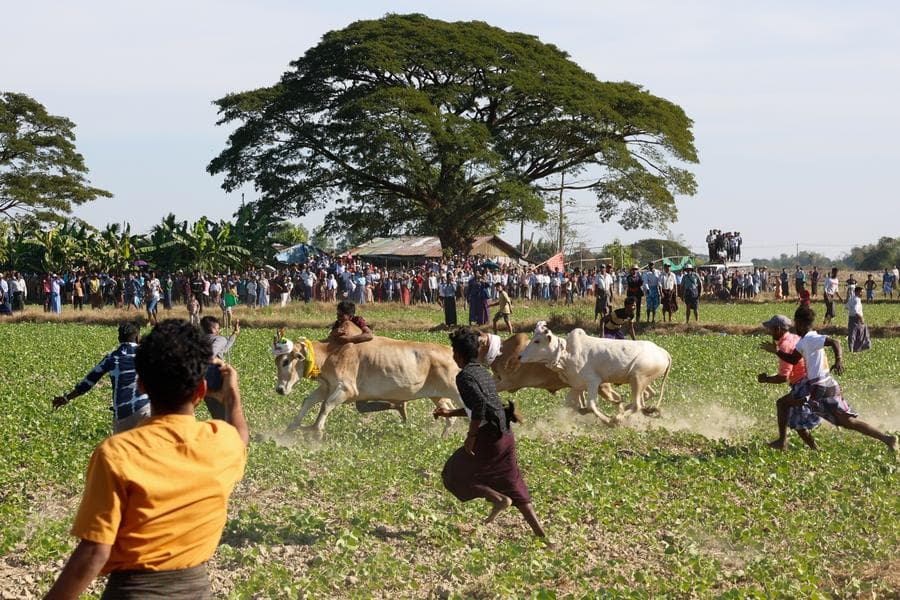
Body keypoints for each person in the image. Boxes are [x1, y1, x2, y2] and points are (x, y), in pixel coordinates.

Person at [45, 320, 248, 599]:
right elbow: (241, 436)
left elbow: (94, 552)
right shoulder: (221, 442)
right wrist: (232, 393)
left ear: (141, 385)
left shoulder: (116, 454)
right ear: (201, 391)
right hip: (197, 591)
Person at [433, 328, 548, 540]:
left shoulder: (464, 377)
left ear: (458, 355)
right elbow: (483, 405)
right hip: (505, 435)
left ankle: (498, 499)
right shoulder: (482, 372)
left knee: (452, 475)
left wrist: (471, 437)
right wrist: (450, 412)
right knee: (514, 485)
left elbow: (479, 406)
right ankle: (543, 537)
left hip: (488, 439)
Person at [762, 306, 896, 453]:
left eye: (796, 323)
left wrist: (839, 360)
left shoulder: (811, 338)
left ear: (799, 323)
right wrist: (777, 351)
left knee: (782, 404)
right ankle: (887, 439)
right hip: (829, 385)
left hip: (817, 388)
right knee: (848, 422)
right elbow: (793, 359)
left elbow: (835, 342)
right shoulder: (802, 342)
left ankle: (783, 441)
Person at [52, 322, 152, 433]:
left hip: (122, 414)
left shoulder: (111, 358)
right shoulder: (147, 355)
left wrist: (66, 398)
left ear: (119, 339)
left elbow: (88, 382)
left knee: (123, 444)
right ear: (138, 338)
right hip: (145, 410)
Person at [756, 314, 820, 450]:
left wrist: (765, 379)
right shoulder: (794, 337)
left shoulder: (784, 346)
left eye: (771, 329)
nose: (769, 331)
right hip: (810, 380)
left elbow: (783, 378)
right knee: (797, 421)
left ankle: (782, 442)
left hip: (803, 384)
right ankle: (815, 449)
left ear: (778, 329)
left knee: (782, 404)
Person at [200, 315, 241, 420]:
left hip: (203, 383)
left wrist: (234, 334)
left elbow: (223, 349)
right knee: (228, 412)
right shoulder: (219, 339)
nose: (219, 331)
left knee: (217, 413)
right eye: (218, 328)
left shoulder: (199, 340)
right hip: (217, 380)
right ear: (213, 328)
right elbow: (211, 354)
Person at [846, 286, 870, 352]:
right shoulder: (857, 300)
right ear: (856, 292)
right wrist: (861, 318)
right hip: (857, 318)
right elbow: (855, 311)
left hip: (851, 318)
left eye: (862, 292)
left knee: (852, 334)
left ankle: (852, 349)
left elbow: (846, 307)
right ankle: (858, 349)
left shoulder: (852, 298)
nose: (862, 294)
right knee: (861, 334)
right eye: (861, 292)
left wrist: (851, 311)